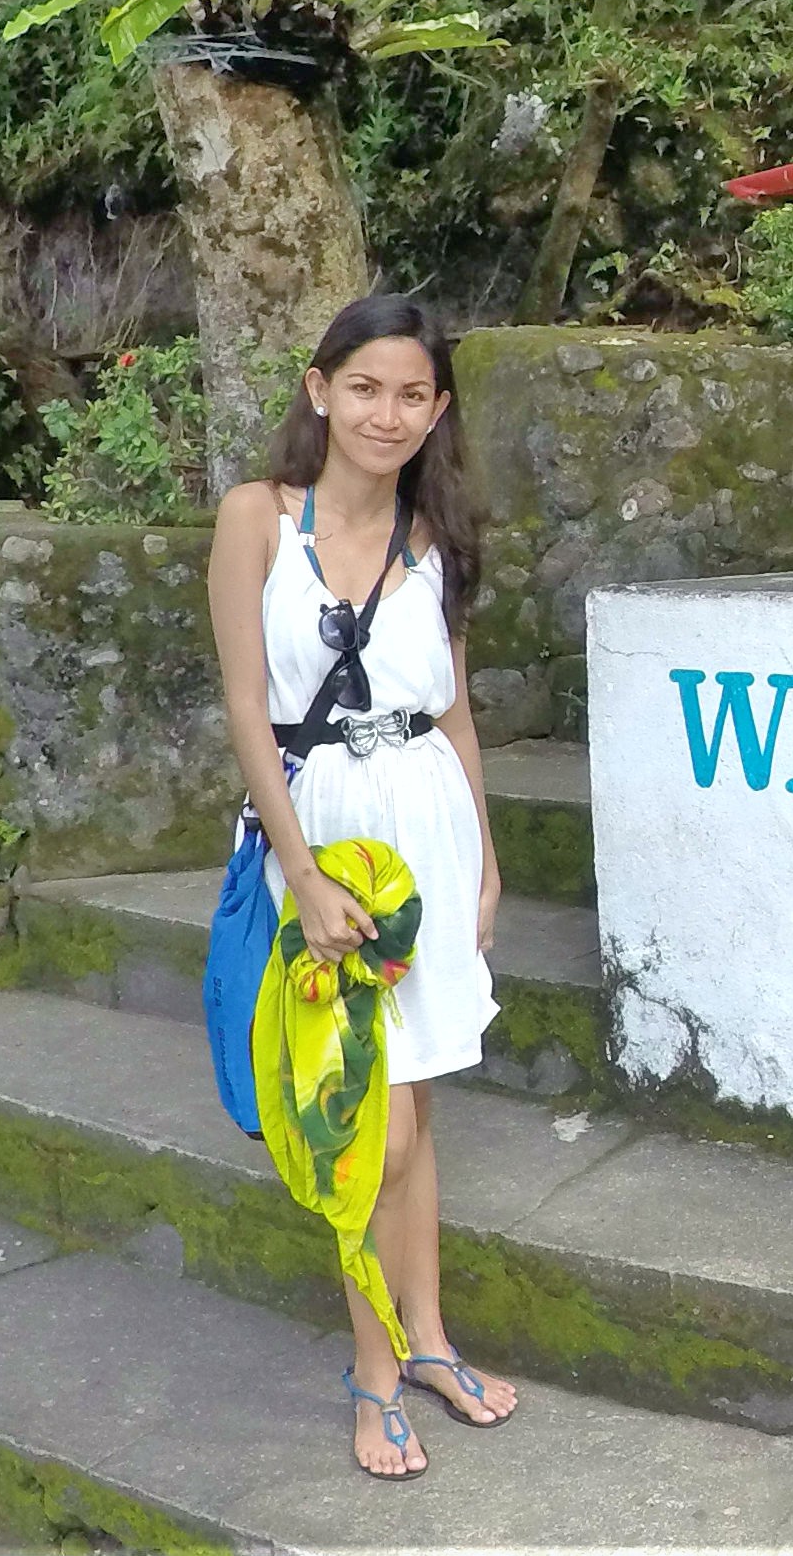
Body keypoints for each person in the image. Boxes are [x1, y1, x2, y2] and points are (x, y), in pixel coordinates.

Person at [208, 295, 522, 1480]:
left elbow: (455, 710)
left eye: (411, 395)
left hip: (426, 831)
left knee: (415, 1108)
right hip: (323, 839)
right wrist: (299, 872)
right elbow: (247, 705)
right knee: (364, 1130)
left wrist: (486, 859)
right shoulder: (258, 518)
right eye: (365, 388)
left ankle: (427, 1341)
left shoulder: (437, 536)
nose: (386, 415)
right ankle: (374, 1371)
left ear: (437, 410)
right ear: (320, 390)